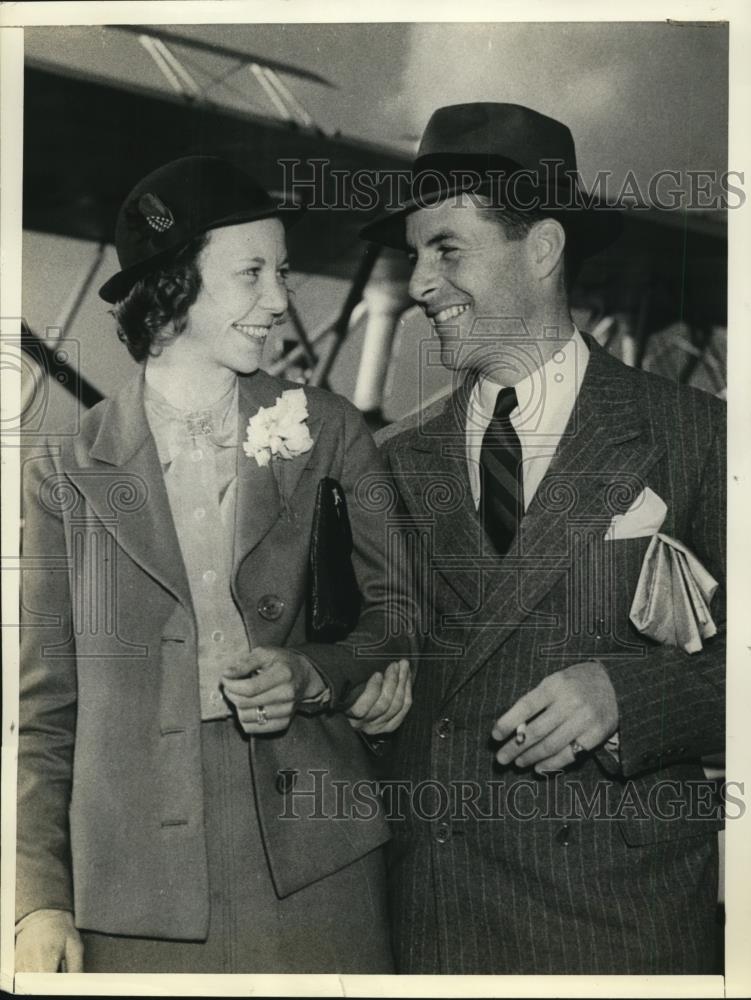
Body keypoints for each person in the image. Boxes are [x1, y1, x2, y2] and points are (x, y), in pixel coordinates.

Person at [16, 155, 416, 974]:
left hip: (318, 864)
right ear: (171, 286)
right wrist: (40, 899)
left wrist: (311, 673)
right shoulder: (64, 470)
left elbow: (398, 617)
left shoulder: (330, 429)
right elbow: (45, 706)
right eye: (252, 274)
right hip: (131, 886)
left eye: (284, 272)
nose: (279, 300)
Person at [361, 103, 725, 974]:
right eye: (414, 256)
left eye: (446, 249)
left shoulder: (697, 436)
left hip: (618, 935)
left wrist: (627, 696)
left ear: (543, 247)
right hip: (432, 926)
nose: (418, 284)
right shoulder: (389, 462)